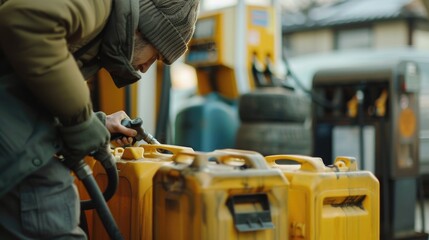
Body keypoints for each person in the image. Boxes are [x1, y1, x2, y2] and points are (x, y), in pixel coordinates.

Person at [0, 0, 200, 238]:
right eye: (155, 55)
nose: (145, 68)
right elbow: (24, 22)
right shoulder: (100, 4)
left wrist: (97, 123)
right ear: (143, 27)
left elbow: (27, 83)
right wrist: (80, 119)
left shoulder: (93, 30)